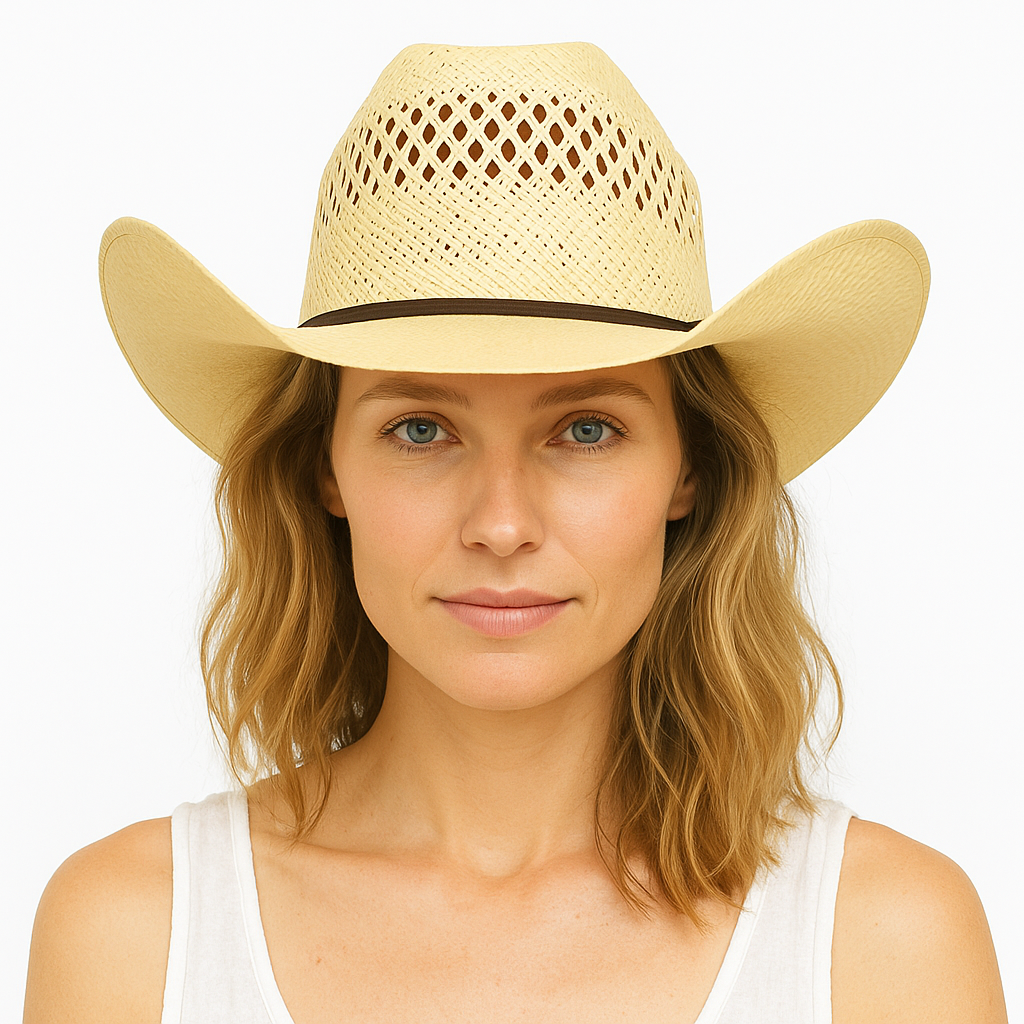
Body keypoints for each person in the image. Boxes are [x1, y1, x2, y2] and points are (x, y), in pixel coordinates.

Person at [23, 41, 1007, 1024]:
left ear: (690, 467)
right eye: (421, 429)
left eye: (586, 430)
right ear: (324, 465)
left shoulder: (883, 945)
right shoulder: (135, 938)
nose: (501, 524)